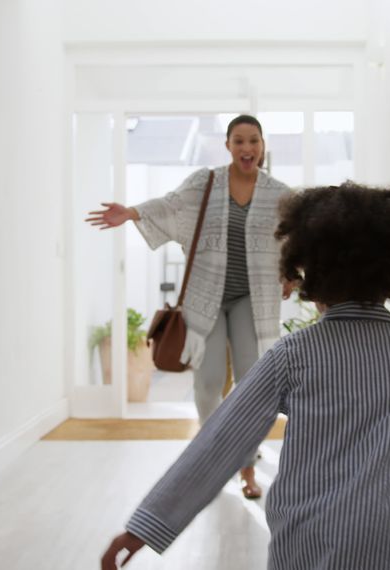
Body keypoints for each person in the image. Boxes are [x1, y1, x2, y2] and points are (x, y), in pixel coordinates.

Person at [101, 184, 390, 570]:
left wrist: (145, 528)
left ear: (309, 276)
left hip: (313, 541)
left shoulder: (293, 355)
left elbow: (220, 442)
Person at [86, 115, 294, 499]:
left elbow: (296, 236)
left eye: (254, 141)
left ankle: (247, 464)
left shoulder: (279, 194)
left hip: (253, 297)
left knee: (251, 384)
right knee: (207, 383)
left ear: (262, 145)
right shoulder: (207, 182)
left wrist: (292, 274)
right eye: (239, 141)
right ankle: (213, 459)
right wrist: (132, 212)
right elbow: (171, 205)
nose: (247, 148)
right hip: (206, 297)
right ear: (228, 146)